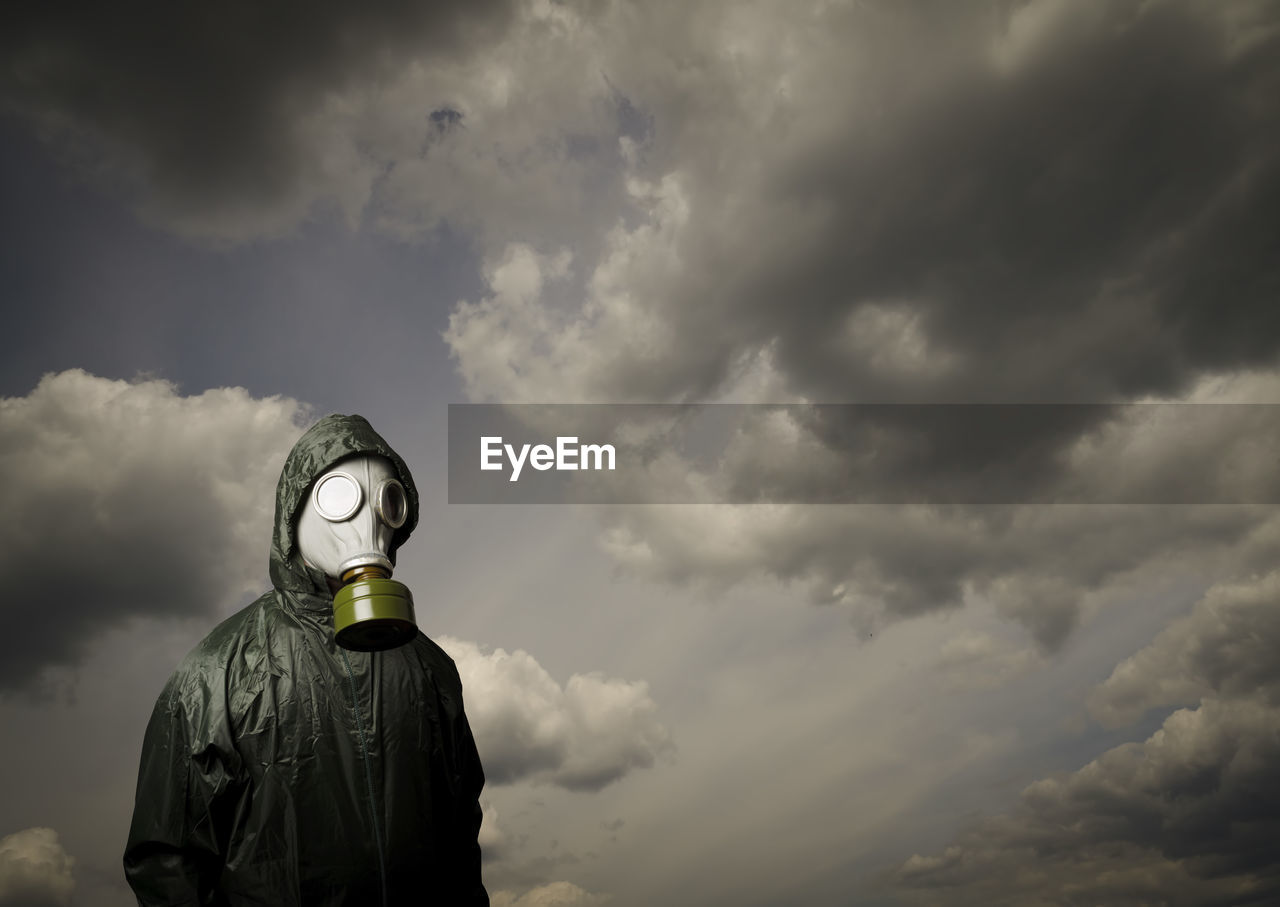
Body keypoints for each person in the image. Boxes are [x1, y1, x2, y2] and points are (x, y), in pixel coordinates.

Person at [124, 414, 488, 906]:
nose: (366, 523)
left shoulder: (431, 671)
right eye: (339, 498)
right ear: (294, 512)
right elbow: (167, 858)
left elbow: (460, 839)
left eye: (386, 501)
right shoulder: (220, 670)